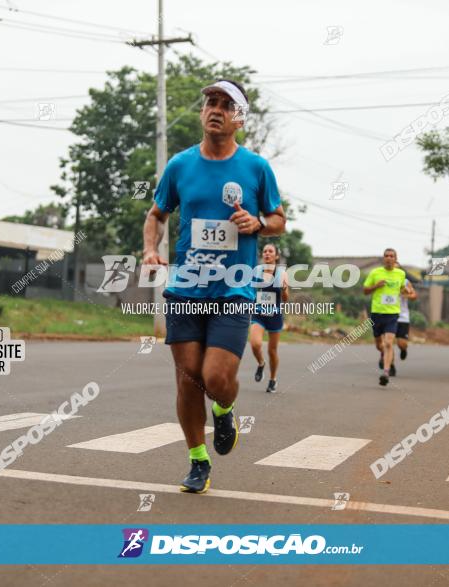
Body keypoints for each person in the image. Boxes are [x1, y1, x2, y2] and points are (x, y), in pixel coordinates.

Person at [142, 79, 286, 494]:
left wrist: (259, 223)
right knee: (188, 379)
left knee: (215, 377)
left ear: (240, 118)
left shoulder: (256, 168)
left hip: (233, 290)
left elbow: (278, 219)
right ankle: (198, 460)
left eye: (226, 104)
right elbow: (157, 214)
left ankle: (224, 408)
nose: (215, 109)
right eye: (210, 102)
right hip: (186, 288)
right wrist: (151, 249)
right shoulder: (180, 166)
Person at [363, 248, 407, 386]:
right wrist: (376, 285)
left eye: (391, 256)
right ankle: (384, 355)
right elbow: (365, 291)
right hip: (376, 313)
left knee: (388, 343)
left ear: (395, 259)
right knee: (379, 345)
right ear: (383, 258)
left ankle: (386, 372)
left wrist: (405, 291)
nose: (388, 258)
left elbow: (401, 289)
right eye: (386, 256)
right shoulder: (375, 273)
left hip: (392, 314)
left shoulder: (401, 274)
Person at [249, 243, 289, 393]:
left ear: (276, 256)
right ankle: (261, 363)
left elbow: (285, 299)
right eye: (265, 251)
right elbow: (249, 290)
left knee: (272, 351)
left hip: (274, 314)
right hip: (258, 313)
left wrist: (284, 289)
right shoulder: (256, 271)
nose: (267, 253)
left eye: (270, 251)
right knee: (255, 344)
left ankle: (273, 379)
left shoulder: (282, 273)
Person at [390, 277, 417, 376]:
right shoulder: (383, 279)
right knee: (388, 342)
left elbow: (414, 296)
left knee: (401, 343)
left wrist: (406, 294)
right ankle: (390, 366)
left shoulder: (405, 281)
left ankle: (403, 349)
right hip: (388, 315)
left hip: (402, 317)